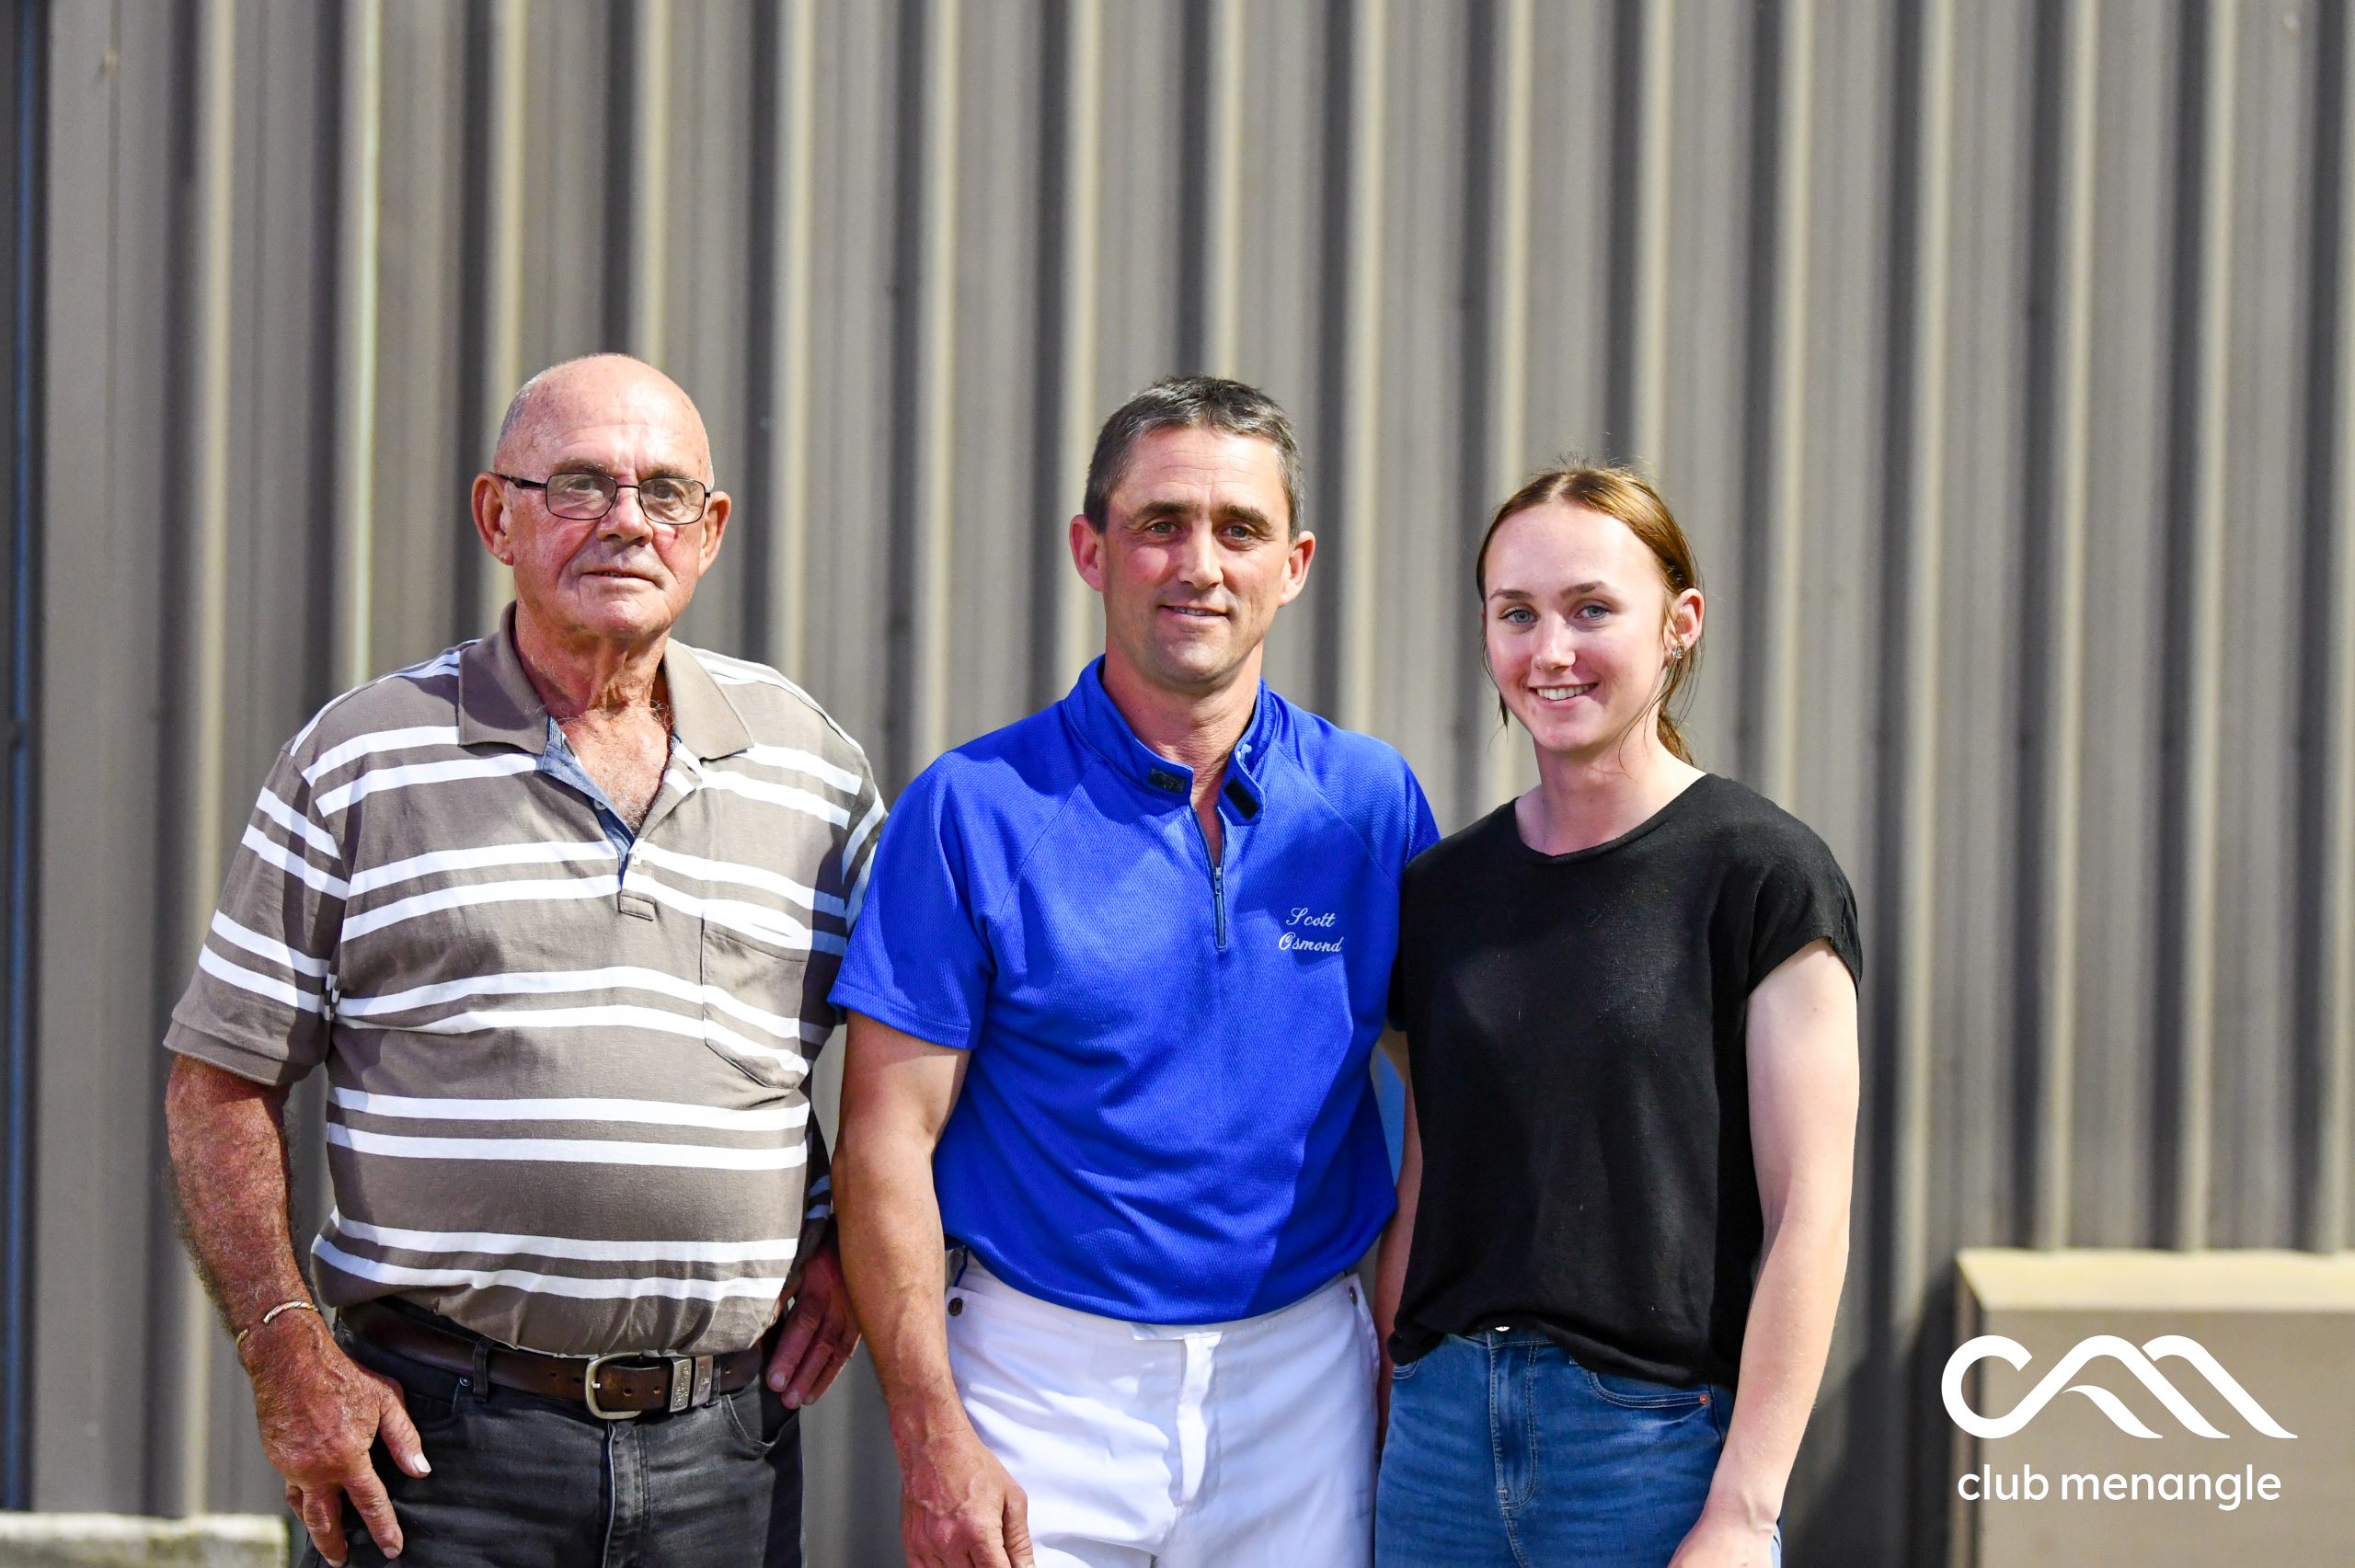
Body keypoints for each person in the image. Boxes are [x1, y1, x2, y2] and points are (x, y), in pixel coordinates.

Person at [162, 354, 876, 1568]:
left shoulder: (810, 767)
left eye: (665, 492)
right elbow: (218, 1079)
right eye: (581, 484)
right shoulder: (363, 758)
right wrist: (285, 1352)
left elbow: (927, 1041)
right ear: (497, 515)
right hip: (440, 1451)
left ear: (711, 531)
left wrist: (861, 1245)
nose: (627, 521)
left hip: (727, 1449)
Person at [832, 375, 1438, 1568]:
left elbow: (1442, 1112)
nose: (1199, 563)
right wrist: (929, 1428)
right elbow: (883, 1139)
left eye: (1239, 528)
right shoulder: (971, 808)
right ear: (1090, 549)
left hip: (1304, 1379)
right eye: (1161, 523)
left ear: (1295, 564)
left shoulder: (1370, 802)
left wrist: (1398, 1367)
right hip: (1038, 1384)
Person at [1373, 465, 1860, 1568]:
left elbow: (1811, 1215)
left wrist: (1743, 1510)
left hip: (1648, 1450)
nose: (1551, 650)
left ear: (1680, 625)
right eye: (1517, 613)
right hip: (1438, 1449)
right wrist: (1392, 1417)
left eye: (1591, 609)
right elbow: (1426, 1182)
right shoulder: (1443, 892)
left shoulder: (1761, 873)